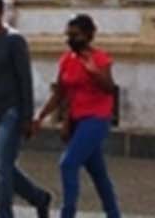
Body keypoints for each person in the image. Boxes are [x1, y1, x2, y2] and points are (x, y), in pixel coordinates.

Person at [0, 0, 54, 218]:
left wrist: (27, 117)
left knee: (0, 166)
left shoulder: (14, 41)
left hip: (11, 111)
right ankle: (39, 197)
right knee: (2, 168)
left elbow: (24, 80)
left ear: (0, 13)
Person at [33, 13, 121, 218]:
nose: (71, 40)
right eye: (69, 35)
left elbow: (109, 88)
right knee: (98, 173)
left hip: (97, 118)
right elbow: (60, 93)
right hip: (76, 119)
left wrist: (94, 73)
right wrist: (42, 116)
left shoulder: (100, 59)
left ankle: (68, 213)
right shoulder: (66, 60)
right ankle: (113, 213)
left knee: (68, 163)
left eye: (76, 35)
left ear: (89, 36)